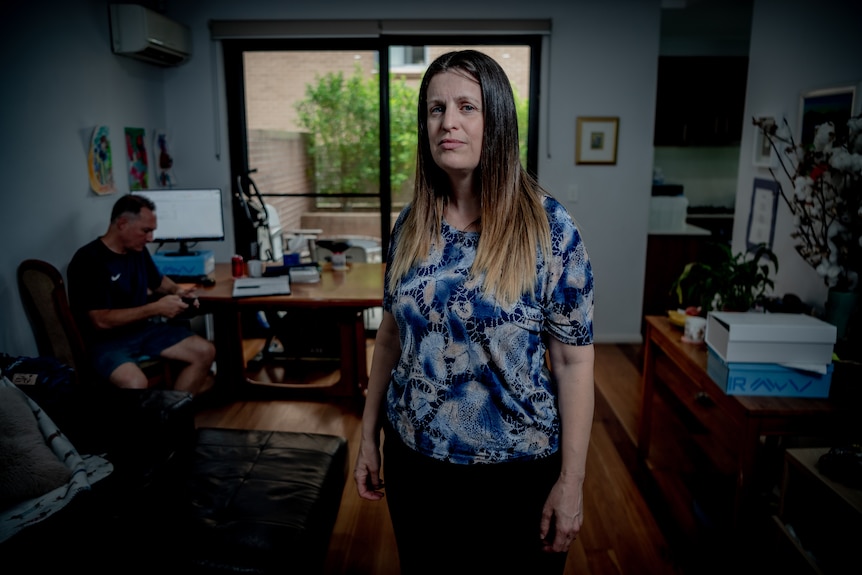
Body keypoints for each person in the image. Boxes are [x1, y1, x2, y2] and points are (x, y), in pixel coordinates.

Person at [353, 50, 595, 574]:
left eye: (467, 106)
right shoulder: (411, 224)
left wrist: (571, 483)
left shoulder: (550, 229)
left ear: (498, 121)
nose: (449, 122)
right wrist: (367, 434)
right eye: (436, 109)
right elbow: (390, 337)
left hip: (517, 471)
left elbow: (574, 364)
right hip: (416, 463)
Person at [67, 194, 216, 396]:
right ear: (122, 223)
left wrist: (178, 291)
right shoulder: (88, 260)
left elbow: (158, 281)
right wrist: (156, 308)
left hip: (144, 332)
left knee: (205, 351)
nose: (150, 238)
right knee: (135, 383)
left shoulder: (137, 250)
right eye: (146, 231)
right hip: (105, 343)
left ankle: (172, 415)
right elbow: (101, 321)